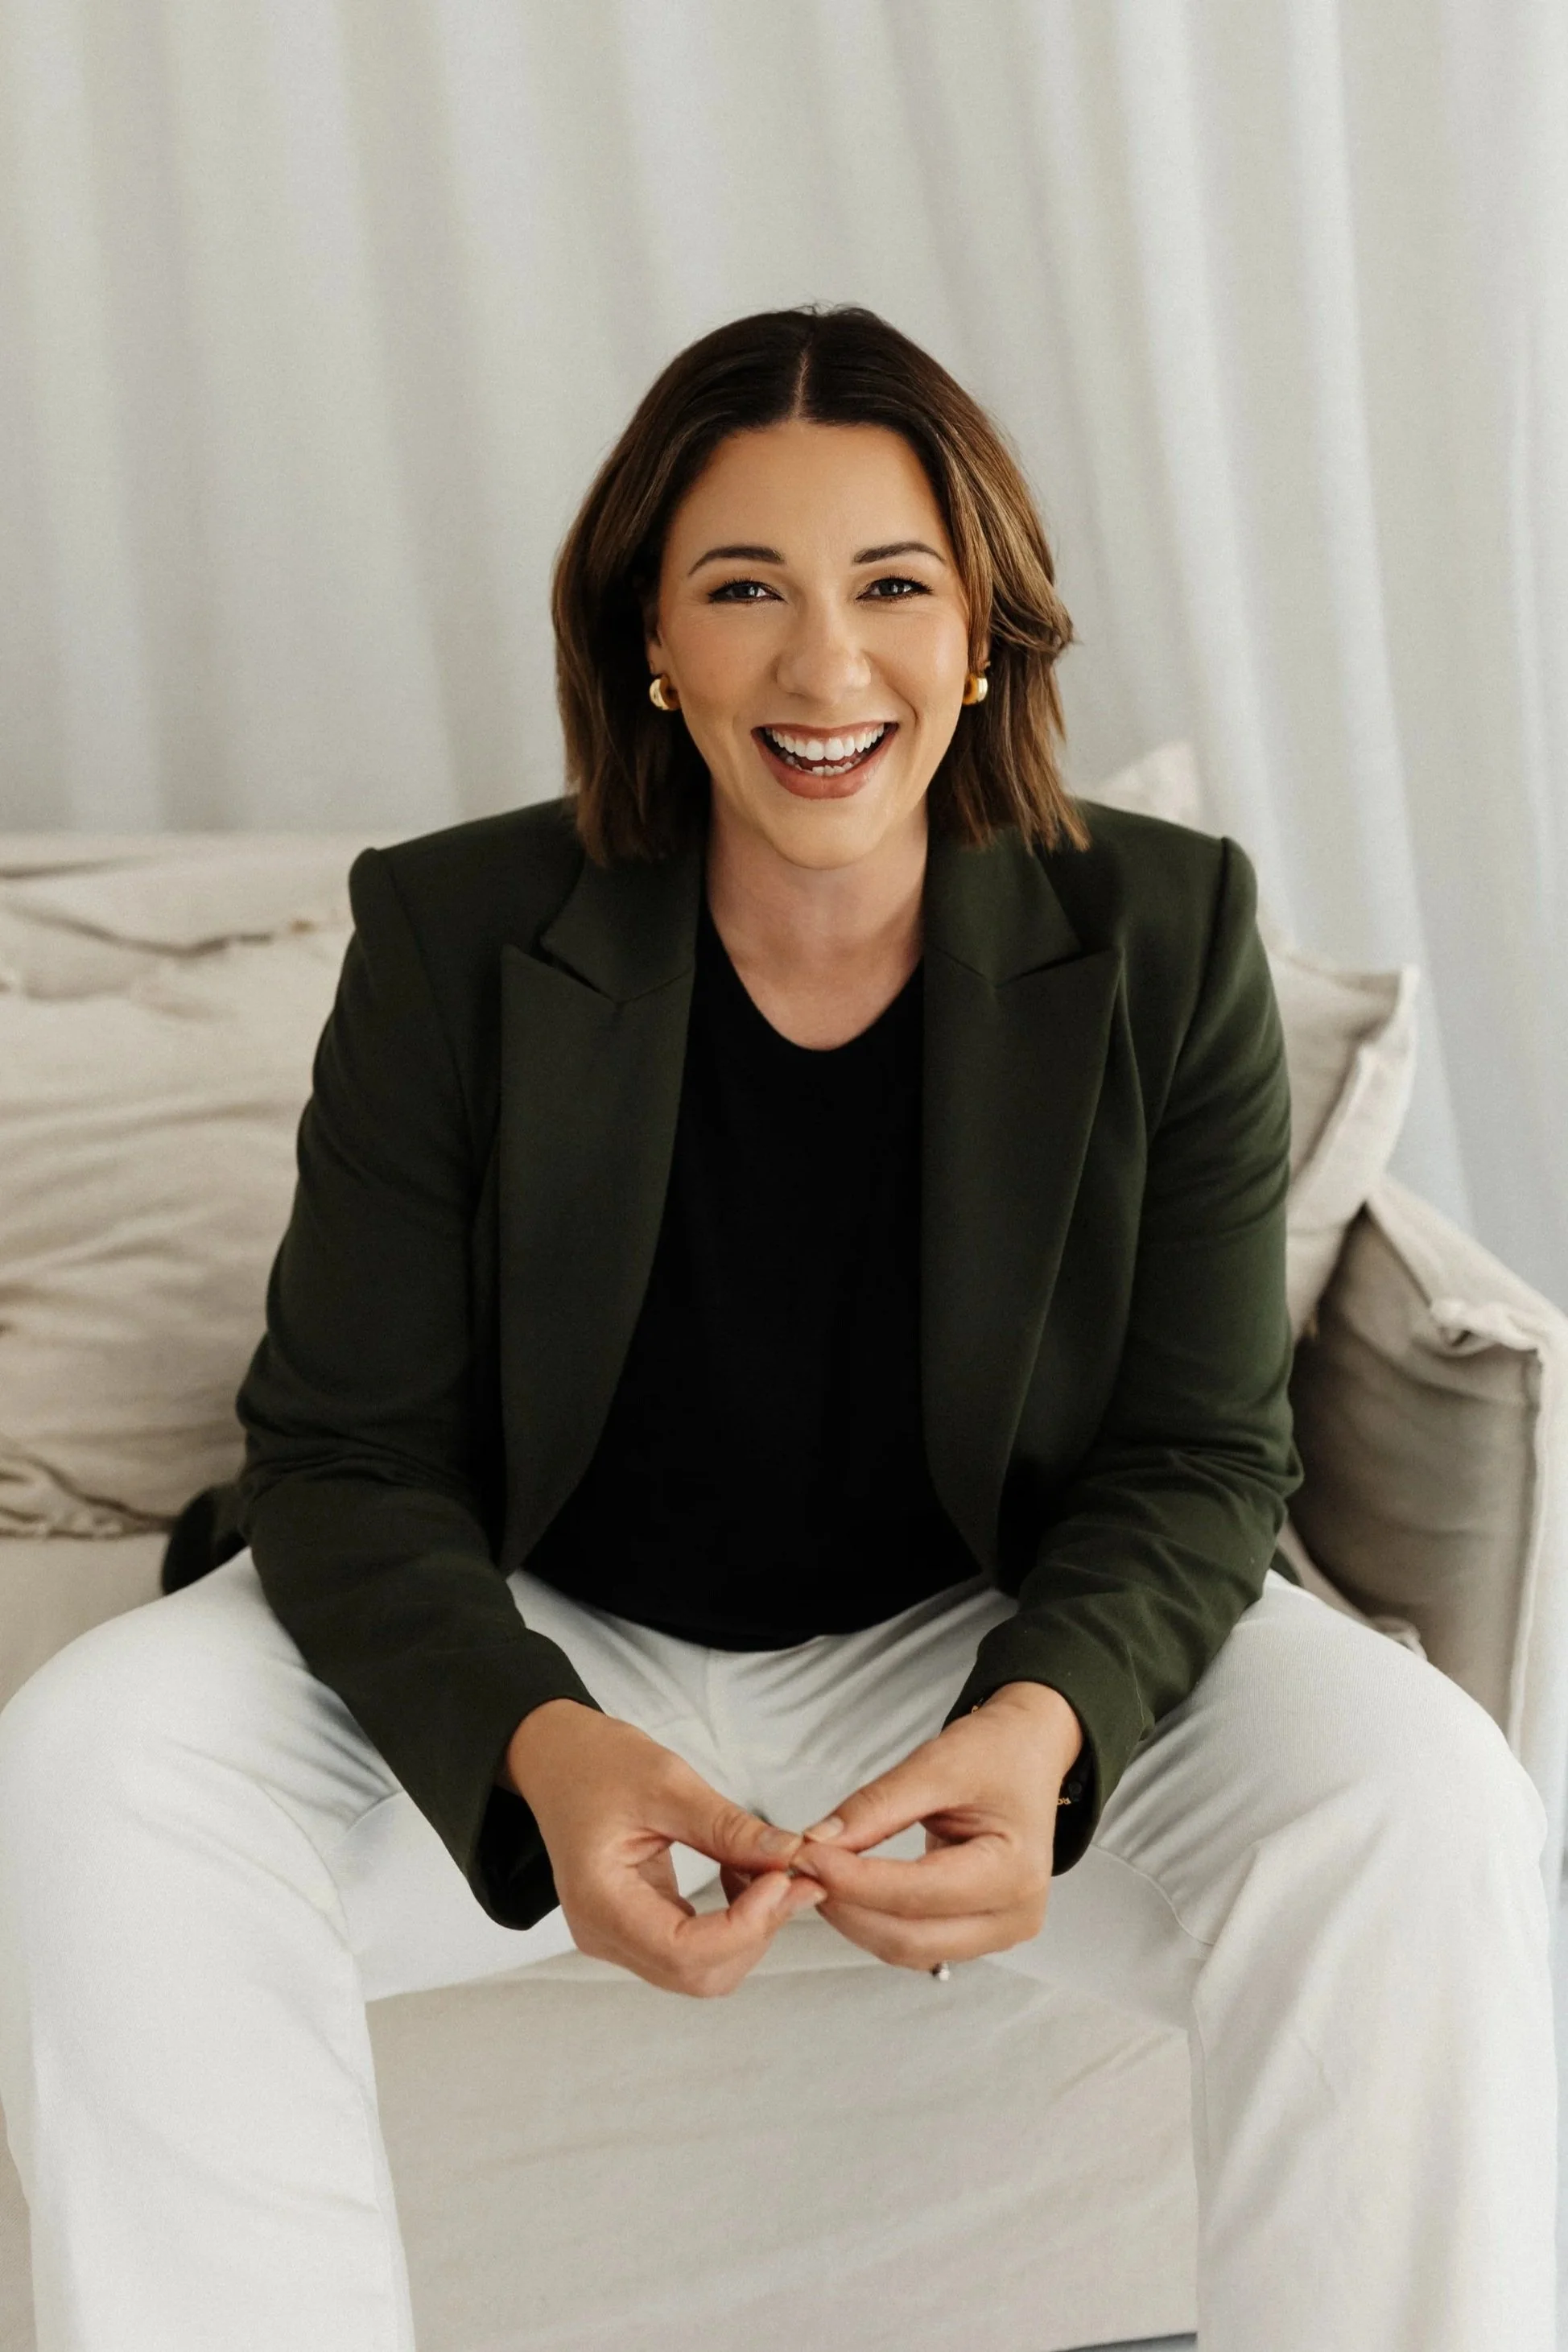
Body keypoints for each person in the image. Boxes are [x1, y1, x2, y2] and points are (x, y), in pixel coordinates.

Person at [0, 304, 1554, 2352]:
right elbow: (344, 1451)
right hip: (544, 1623)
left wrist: (1040, 1723)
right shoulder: (452, 933)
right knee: (96, 1759)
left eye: (890, 586)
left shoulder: (1164, 935)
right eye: (745, 589)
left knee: (1420, 1791)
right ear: (649, 637)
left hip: (978, 1636)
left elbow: (1198, 1455)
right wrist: (542, 1741)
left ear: (981, 629)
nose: (825, 670)